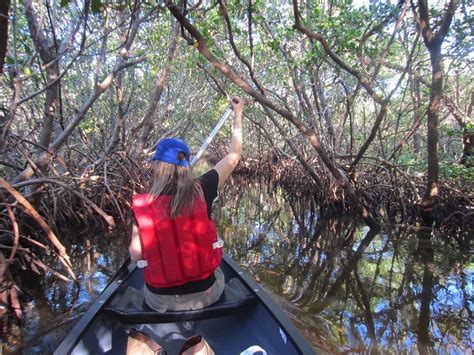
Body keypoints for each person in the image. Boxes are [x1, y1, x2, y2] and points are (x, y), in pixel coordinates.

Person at [129, 97, 244, 313]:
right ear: (187, 165)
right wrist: (237, 114)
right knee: (219, 274)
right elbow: (233, 156)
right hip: (207, 295)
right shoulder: (204, 188)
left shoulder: (143, 205)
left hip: (159, 302)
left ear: (156, 166)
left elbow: (136, 255)